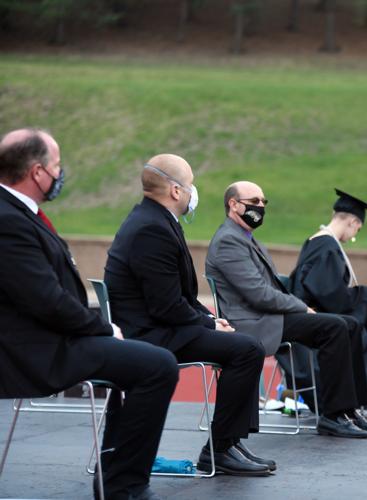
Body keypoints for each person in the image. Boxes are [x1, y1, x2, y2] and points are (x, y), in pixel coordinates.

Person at [0, 128, 179, 500]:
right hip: (37, 350)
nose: (59, 174)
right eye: (57, 166)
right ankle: (123, 485)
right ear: (37, 172)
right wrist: (102, 328)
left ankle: (116, 475)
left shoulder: (17, 212)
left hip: (51, 336)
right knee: (158, 365)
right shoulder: (8, 220)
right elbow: (45, 300)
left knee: (142, 362)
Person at [104, 154, 274, 477]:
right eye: (191, 184)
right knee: (247, 350)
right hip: (149, 335)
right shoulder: (151, 229)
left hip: (160, 325)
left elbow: (180, 297)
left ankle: (229, 442)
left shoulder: (155, 220)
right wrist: (208, 323)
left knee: (243, 345)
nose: (194, 191)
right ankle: (220, 449)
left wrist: (211, 320)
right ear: (176, 191)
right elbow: (166, 307)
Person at [205, 180, 367, 438]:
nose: (261, 207)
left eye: (263, 202)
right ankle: (333, 416)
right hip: (253, 322)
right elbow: (258, 294)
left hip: (269, 316)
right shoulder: (228, 241)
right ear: (233, 205)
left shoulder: (245, 238)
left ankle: (349, 409)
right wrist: (302, 307)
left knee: (350, 324)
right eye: (254, 202)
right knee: (334, 327)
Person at [289, 189, 367, 418]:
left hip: (322, 309)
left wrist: (365, 294)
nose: (355, 234)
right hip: (317, 315)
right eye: (358, 228)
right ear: (352, 222)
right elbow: (331, 296)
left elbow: (330, 290)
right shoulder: (326, 246)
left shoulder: (322, 242)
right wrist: (366, 292)